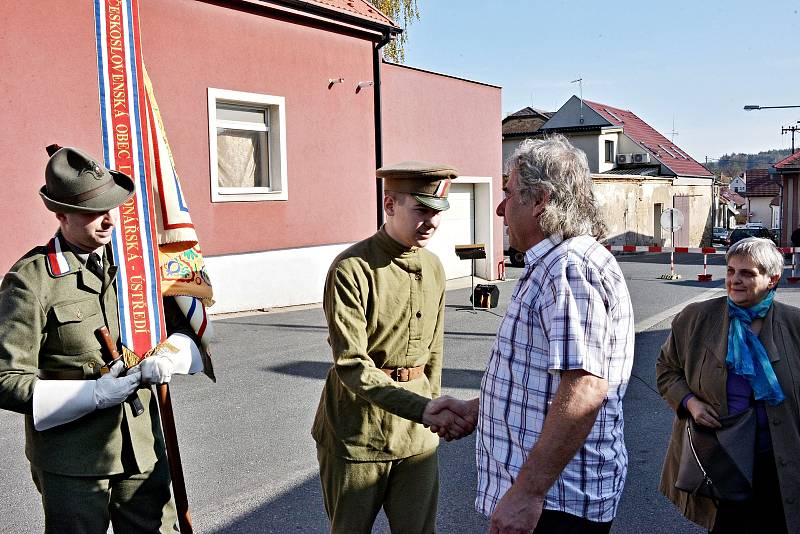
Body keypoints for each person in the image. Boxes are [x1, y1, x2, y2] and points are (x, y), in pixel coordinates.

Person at [431, 135, 635, 533]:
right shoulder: (557, 262)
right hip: (552, 500)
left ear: (540, 199)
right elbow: (546, 381)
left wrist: (527, 493)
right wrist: (481, 409)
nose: (499, 208)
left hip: (556, 506)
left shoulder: (568, 267)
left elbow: (584, 388)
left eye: (508, 194)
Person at [0, 146, 205, 533]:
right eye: (94, 210)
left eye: (114, 206)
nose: (110, 220)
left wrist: (173, 356)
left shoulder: (137, 266)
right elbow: (6, 380)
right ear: (61, 214)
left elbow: (188, 328)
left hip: (142, 449)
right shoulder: (30, 281)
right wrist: (91, 395)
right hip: (74, 462)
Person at [311, 161, 476, 534]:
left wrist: (431, 409)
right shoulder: (351, 269)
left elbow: (434, 351)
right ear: (390, 205)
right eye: (421, 209)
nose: (431, 221)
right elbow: (351, 364)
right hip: (357, 436)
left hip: (416, 437)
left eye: (437, 212)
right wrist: (426, 409)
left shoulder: (434, 267)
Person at [656, 237, 800, 533]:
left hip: (780, 459)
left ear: (772, 279)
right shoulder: (695, 319)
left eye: (747, 273)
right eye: (731, 271)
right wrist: (690, 404)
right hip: (722, 458)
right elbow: (666, 370)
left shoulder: (794, 324)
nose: (734, 280)